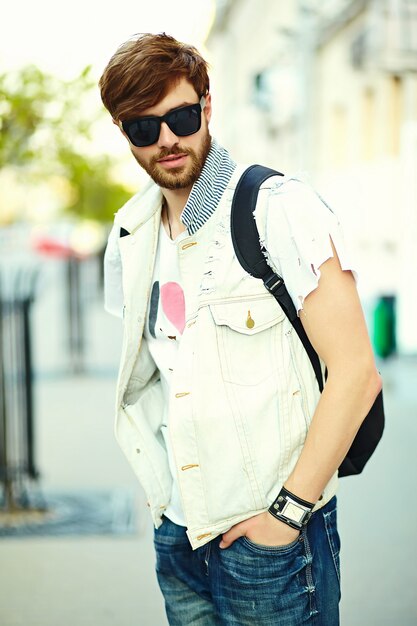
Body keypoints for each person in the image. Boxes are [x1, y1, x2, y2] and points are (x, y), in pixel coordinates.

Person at [99, 32, 382, 626]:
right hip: (178, 534)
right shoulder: (130, 235)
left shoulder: (277, 208)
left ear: (206, 105)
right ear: (124, 135)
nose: (167, 139)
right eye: (143, 128)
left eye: (179, 115)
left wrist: (286, 517)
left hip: (272, 539)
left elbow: (356, 373)